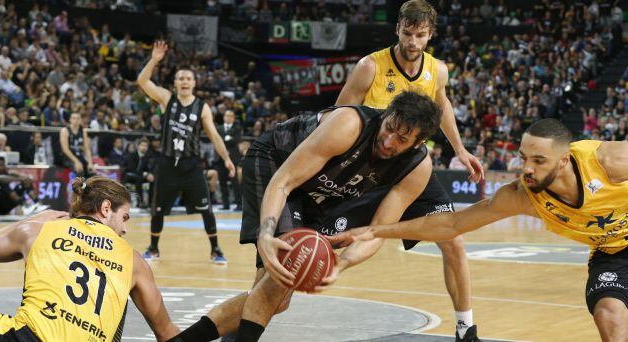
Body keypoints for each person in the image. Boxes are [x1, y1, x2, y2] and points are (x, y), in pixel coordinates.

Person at [336, 118, 628, 341]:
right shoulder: (522, 194)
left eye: (538, 161)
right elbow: (453, 222)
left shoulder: (610, 159)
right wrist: (378, 231)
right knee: (610, 320)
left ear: (564, 162)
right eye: (523, 156)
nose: (526, 168)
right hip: (612, 250)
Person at [170, 90, 441, 342]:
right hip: (274, 163)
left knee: (278, 297)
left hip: (319, 192)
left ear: (418, 143)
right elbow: (283, 181)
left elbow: (377, 231)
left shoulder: (417, 168)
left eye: (402, 139)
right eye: (389, 128)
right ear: (385, 115)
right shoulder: (349, 124)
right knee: (280, 280)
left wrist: (341, 264)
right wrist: (265, 233)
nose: (389, 140)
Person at [334, 1, 482, 339]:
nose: (413, 41)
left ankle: (465, 327)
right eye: (407, 33)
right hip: (370, 164)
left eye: (420, 35)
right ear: (397, 28)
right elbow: (339, 114)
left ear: (430, 35)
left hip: (413, 167)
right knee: (333, 239)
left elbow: (441, 106)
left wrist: (460, 150)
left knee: (453, 240)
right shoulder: (369, 67)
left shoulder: (437, 71)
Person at [0, 177, 179, 341]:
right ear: (106, 208)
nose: (125, 228)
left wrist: (34, 218)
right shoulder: (134, 261)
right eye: (124, 218)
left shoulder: (40, 229)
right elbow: (167, 333)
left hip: (26, 337)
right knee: (118, 300)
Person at [137, 40, 236, 264]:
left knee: (206, 209)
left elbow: (214, 136)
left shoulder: (202, 107)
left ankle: (216, 249)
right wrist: (154, 59)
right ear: (175, 82)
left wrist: (227, 159)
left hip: (192, 166)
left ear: (194, 83)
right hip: (167, 164)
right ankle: (153, 248)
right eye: (181, 78)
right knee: (158, 210)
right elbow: (142, 81)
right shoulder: (166, 98)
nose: (184, 81)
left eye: (188, 78)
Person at [215, 110, 243, 210]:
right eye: (227, 115)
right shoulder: (218, 128)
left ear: (234, 118)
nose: (228, 117)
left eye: (231, 116)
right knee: (222, 182)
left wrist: (225, 139)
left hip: (233, 159)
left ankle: (239, 204)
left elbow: (237, 140)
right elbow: (216, 140)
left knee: (235, 182)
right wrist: (228, 138)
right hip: (220, 159)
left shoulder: (237, 128)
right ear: (224, 117)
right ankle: (225, 204)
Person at [60, 112, 95, 177]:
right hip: (67, 157)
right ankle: (77, 186)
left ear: (80, 120)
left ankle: (88, 186)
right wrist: (76, 161)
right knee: (79, 170)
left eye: (78, 118)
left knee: (92, 172)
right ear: (70, 120)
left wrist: (90, 163)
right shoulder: (65, 130)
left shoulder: (83, 131)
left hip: (79, 155)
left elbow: (87, 148)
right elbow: (65, 149)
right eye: (74, 118)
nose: (76, 120)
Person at [123, 138, 155, 208]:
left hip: (141, 176)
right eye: (142, 145)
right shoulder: (132, 155)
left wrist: (150, 175)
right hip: (130, 175)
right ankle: (140, 202)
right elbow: (133, 169)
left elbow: (150, 168)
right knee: (139, 178)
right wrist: (146, 174)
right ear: (138, 146)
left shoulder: (148, 157)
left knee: (153, 180)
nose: (144, 147)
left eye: (146, 146)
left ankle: (151, 202)